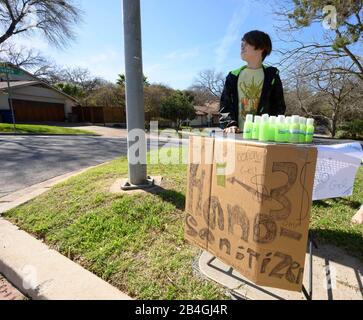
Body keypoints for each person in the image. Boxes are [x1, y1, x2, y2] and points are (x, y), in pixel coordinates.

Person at [219, 30, 286, 133]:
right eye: (242, 44)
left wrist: (272, 128)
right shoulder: (233, 75)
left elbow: (278, 107)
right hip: (237, 134)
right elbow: (225, 105)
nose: (242, 46)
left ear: (261, 48)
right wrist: (230, 123)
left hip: (263, 135)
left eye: (246, 43)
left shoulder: (272, 75)